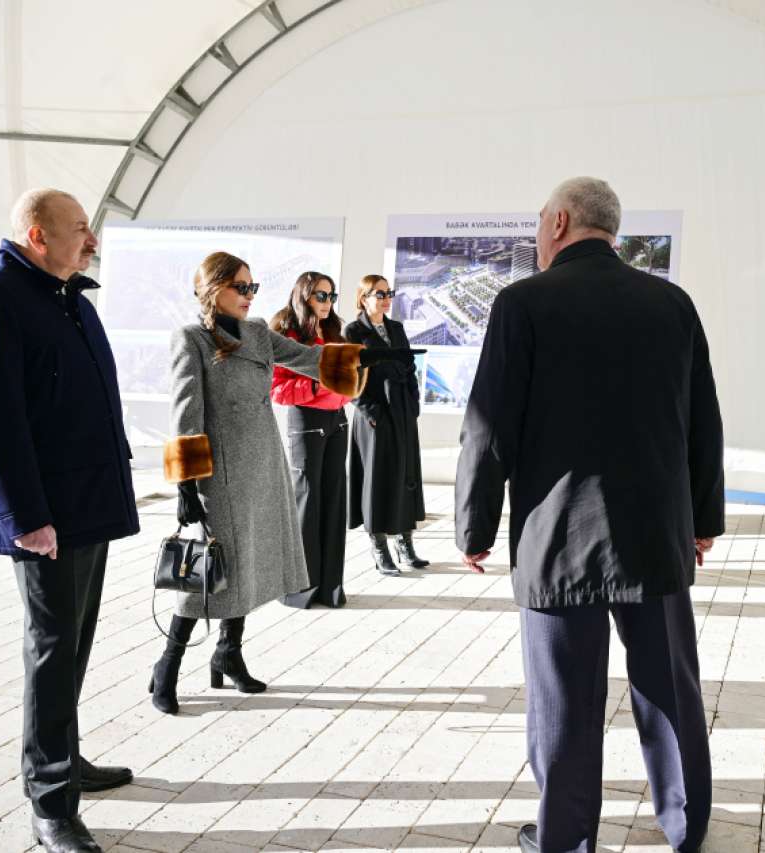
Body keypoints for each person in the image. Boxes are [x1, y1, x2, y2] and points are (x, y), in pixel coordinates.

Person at [455, 177, 724, 853]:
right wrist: (703, 520)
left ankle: (567, 840)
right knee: (670, 687)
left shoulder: (522, 303)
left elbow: (488, 426)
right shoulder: (671, 303)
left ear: (559, 222)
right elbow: (703, 421)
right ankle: (686, 825)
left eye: (539, 222)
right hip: (654, 535)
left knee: (564, 703)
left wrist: (475, 525)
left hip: (557, 538)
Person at [0, 188, 139, 853]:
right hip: (45, 516)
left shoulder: (71, 301)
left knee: (74, 644)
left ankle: (64, 755)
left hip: (88, 506)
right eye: (80, 228)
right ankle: (51, 801)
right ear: (38, 235)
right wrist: (24, 516)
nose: (91, 239)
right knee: (53, 648)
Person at [154, 253, 415, 714]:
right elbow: (185, 411)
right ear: (213, 289)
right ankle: (168, 666)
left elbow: (308, 358)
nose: (250, 296)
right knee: (210, 572)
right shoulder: (191, 338)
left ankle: (228, 653)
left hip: (264, 463)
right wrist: (185, 485)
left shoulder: (257, 331)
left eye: (252, 287)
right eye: (240, 287)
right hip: (219, 473)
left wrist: (367, 356)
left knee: (249, 564)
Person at [270, 271, 352, 608]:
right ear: (304, 295)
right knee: (307, 501)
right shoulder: (286, 332)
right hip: (306, 421)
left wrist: (348, 387)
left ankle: (331, 588)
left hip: (338, 421)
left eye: (331, 296)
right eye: (321, 295)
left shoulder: (333, 331)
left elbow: (346, 376)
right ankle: (300, 590)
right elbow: (276, 388)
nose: (327, 302)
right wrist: (317, 385)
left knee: (334, 501)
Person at [345, 275, 430, 575]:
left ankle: (405, 543)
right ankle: (379, 547)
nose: (385, 298)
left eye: (388, 293)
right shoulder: (353, 331)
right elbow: (349, 378)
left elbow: (409, 366)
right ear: (363, 298)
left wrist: (414, 402)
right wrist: (371, 412)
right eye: (378, 294)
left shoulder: (397, 328)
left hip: (403, 411)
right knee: (378, 480)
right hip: (375, 416)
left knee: (406, 475)